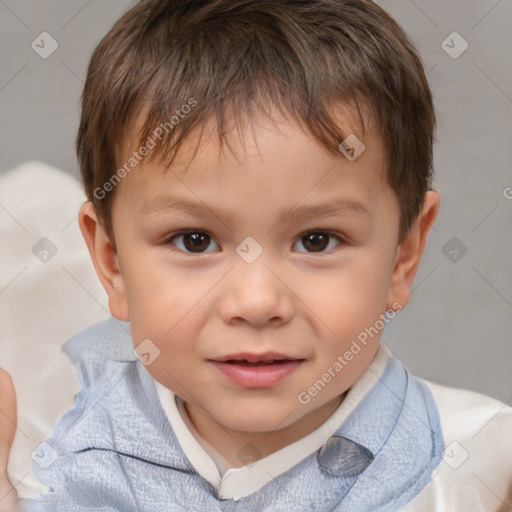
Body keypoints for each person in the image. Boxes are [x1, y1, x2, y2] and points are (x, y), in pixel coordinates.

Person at [1, 0, 511, 510]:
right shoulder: (50, 452)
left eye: (317, 240)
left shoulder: (474, 467)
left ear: (403, 255)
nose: (257, 300)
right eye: (194, 240)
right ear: (112, 263)